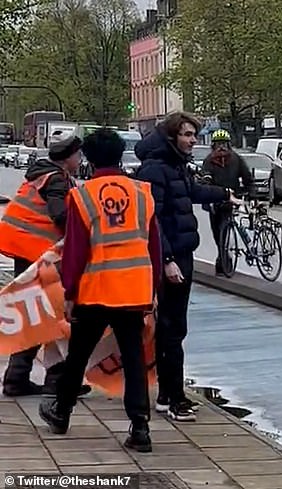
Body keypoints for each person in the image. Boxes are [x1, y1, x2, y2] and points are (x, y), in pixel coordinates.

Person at [38, 128, 159, 452]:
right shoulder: (141, 193)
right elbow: (154, 247)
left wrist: (69, 293)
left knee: (78, 355)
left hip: (95, 292)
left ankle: (61, 412)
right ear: (121, 155)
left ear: (89, 159)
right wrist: (153, 289)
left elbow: (76, 251)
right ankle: (140, 427)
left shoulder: (82, 196)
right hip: (134, 291)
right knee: (133, 357)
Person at [136, 112, 238, 422]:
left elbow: (189, 192)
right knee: (171, 328)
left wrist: (223, 194)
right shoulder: (156, 168)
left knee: (173, 328)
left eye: (194, 134)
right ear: (172, 137)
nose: (193, 140)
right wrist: (166, 260)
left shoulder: (173, 164)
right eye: (187, 134)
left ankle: (168, 395)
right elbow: (153, 219)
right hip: (173, 258)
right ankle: (174, 398)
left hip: (181, 254)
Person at [0, 134, 91, 398]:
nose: (80, 160)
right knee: (54, 315)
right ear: (68, 158)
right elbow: (59, 214)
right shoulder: (56, 180)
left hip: (25, 250)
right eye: (78, 155)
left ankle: (19, 378)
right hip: (39, 255)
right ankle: (54, 380)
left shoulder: (41, 174)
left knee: (36, 314)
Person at [201, 129, 256, 275]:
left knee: (224, 231)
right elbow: (205, 181)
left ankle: (224, 261)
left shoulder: (236, 159)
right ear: (213, 146)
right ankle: (223, 257)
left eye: (224, 144)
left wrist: (251, 194)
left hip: (231, 200)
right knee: (216, 232)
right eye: (218, 144)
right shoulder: (209, 161)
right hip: (214, 201)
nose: (221, 148)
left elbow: (247, 178)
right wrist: (208, 198)